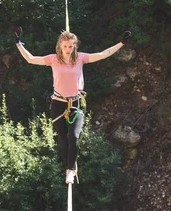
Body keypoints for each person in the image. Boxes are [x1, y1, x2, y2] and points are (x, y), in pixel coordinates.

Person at [15, 28, 131, 184]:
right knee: (63, 139)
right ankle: (68, 170)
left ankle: (71, 170)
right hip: (58, 103)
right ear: (59, 46)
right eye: (65, 46)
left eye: (71, 46)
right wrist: (19, 44)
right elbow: (31, 59)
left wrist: (121, 43)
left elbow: (103, 54)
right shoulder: (53, 59)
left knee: (73, 137)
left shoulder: (80, 58)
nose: (68, 50)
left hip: (75, 102)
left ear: (75, 46)